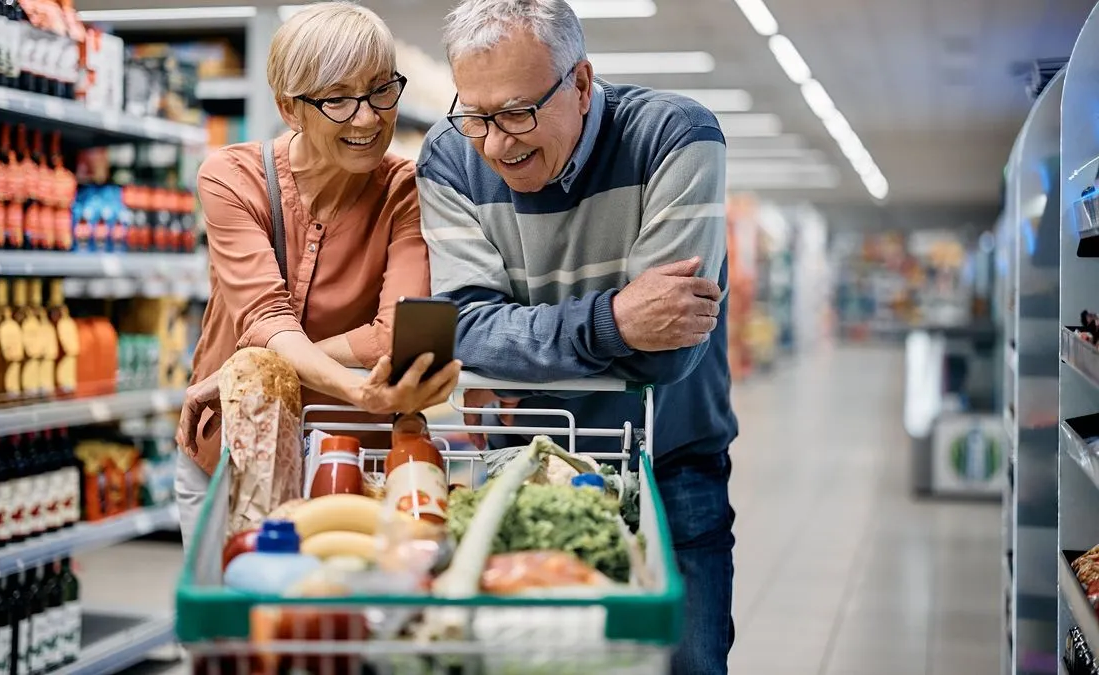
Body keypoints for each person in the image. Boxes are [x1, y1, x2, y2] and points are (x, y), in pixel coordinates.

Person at [417, 0, 737, 671]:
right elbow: (465, 330)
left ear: (582, 83)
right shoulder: (449, 156)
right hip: (516, 474)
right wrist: (616, 321)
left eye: (517, 112)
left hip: (665, 471)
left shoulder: (676, 138)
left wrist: (521, 348)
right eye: (476, 115)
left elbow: (671, 352)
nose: (497, 143)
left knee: (683, 662)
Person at [174, 2, 461, 549]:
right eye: (337, 100)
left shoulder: (408, 191)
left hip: (355, 472)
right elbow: (266, 320)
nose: (369, 117)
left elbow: (392, 334)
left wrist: (246, 371)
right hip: (233, 454)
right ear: (290, 109)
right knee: (225, 631)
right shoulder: (233, 179)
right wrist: (355, 386)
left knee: (341, 628)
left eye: (381, 89)